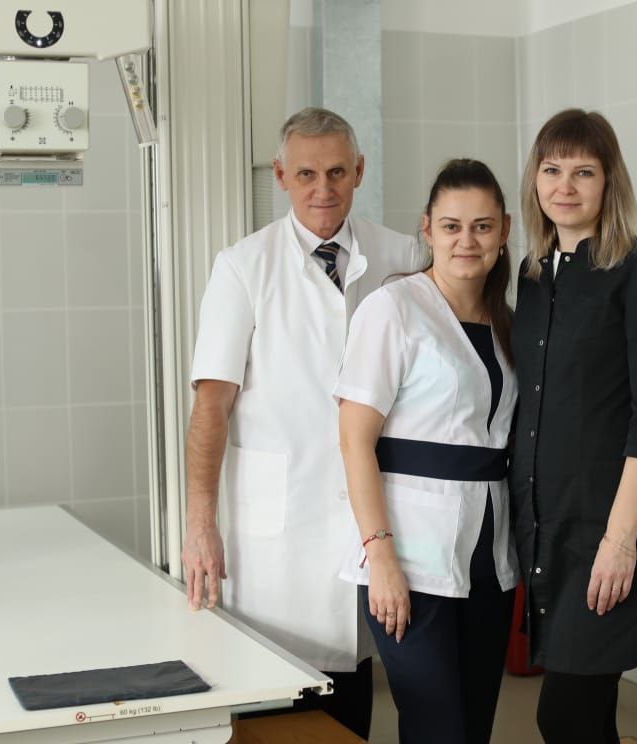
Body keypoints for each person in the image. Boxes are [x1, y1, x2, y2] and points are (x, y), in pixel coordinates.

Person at [181, 107, 423, 738]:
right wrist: (200, 523)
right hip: (277, 543)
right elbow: (211, 405)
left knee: (350, 703)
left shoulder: (402, 255)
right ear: (281, 175)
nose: (323, 189)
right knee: (272, 706)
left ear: (359, 171)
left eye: (337, 172)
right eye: (307, 174)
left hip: (371, 522)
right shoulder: (242, 266)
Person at [509, 109, 637, 744]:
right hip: (547, 528)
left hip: (610, 529)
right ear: (534, 180)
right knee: (584, 715)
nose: (565, 186)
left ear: (610, 181)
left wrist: (619, 541)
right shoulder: (533, 275)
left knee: (564, 715)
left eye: (583, 171)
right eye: (552, 170)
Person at [334, 159, 519, 744]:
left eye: (482, 227)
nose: (467, 241)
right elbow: (354, 439)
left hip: (489, 556)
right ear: (427, 229)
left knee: (474, 728)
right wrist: (381, 557)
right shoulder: (393, 308)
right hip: (408, 557)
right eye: (451, 226)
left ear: (504, 231)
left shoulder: (509, 322)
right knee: (437, 728)